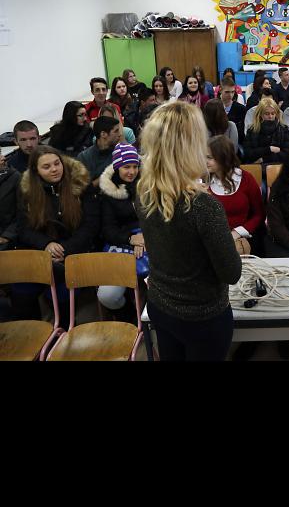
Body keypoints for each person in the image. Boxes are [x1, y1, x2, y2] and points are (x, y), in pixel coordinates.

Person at [136, 102, 242, 361]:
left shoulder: (144, 192)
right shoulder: (203, 206)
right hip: (202, 317)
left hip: (160, 306)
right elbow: (231, 273)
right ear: (190, 147)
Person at [13, 146, 99, 321]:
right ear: (36, 171)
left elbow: (91, 226)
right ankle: (35, 335)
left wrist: (64, 250)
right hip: (41, 253)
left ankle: (65, 332)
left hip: (73, 251)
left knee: (62, 297)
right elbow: (23, 228)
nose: (54, 169)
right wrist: (46, 245)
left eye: (56, 163)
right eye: (46, 167)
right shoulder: (27, 190)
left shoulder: (80, 184)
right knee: (21, 293)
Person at [97, 142, 144, 321]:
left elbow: (161, 216)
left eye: (135, 166)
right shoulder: (108, 193)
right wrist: (130, 238)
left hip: (151, 239)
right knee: (107, 295)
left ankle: (152, 320)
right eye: (126, 167)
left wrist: (145, 236)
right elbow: (107, 229)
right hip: (121, 243)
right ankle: (130, 319)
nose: (131, 172)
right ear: (117, 167)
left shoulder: (149, 185)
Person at [206, 135, 264, 256]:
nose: (205, 162)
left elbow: (259, 214)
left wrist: (237, 232)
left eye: (209, 158)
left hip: (241, 239)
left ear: (223, 158)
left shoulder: (246, 179)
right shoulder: (203, 181)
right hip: (211, 240)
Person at [242, 96, 289, 164]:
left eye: (273, 113)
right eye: (267, 114)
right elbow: (248, 153)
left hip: (278, 166)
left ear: (276, 114)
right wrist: (269, 149)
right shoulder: (252, 130)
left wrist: (264, 159)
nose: (270, 116)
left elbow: (287, 153)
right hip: (257, 166)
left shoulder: (283, 129)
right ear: (260, 114)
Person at [76, 115, 122, 187]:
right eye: (116, 131)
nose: (119, 134)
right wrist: (105, 177)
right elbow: (81, 188)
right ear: (103, 134)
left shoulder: (121, 153)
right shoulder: (84, 157)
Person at [0, 150, 20, 251]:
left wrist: (6, 236)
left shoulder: (15, 178)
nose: (2, 158)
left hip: (7, 240)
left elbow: (22, 213)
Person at [219, 77, 247, 144]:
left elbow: (242, 133)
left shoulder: (241, 109)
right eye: (227, 92)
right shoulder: (214, 107)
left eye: (232, 92)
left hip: (235, 143)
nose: (230, 95)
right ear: (220, 90)